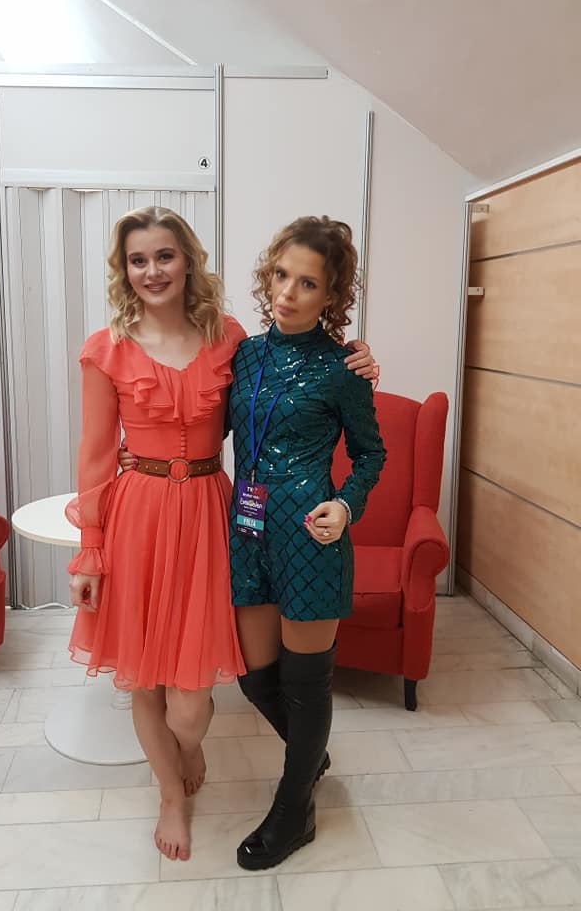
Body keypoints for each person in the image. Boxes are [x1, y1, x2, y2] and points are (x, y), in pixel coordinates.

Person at [66, 206, 378, 864]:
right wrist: (92, 546)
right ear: (124, 270)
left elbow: (325, 423)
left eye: (165, 256)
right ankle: (175, 793)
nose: (153, 270)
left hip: (229, 518)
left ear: (188, 261)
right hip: (159, 519)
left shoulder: (230, 341)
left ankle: (261, 771)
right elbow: (96, 453)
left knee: (206, 699)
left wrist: (360, 361)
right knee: (161, 676)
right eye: (138, 259)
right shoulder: (120, 349)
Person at [229, 216, 386, 871]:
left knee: (305, 683)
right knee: (252, 677)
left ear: (332, 295)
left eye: (308, 283)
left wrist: (345, 506)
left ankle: (294, 811)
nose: (287, 293)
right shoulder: (242, 355)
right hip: (247, 531)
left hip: (310, 537)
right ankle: (309, 756)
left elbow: (371, 454)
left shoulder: (344, 368)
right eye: (281, 275)